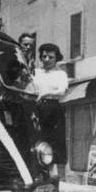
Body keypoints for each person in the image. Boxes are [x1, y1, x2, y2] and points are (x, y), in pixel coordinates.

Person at [33, 43, 68, 180]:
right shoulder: (36, 72)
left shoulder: (61, 74)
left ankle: (53, 178)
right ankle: (38, 176)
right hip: (37, 109)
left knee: (53, 143)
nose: (47, 59)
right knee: (37, 140)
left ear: (56, 58)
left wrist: (45, 93)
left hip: (53, 110)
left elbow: (61, 91)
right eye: (44, 56)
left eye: (51, 57)